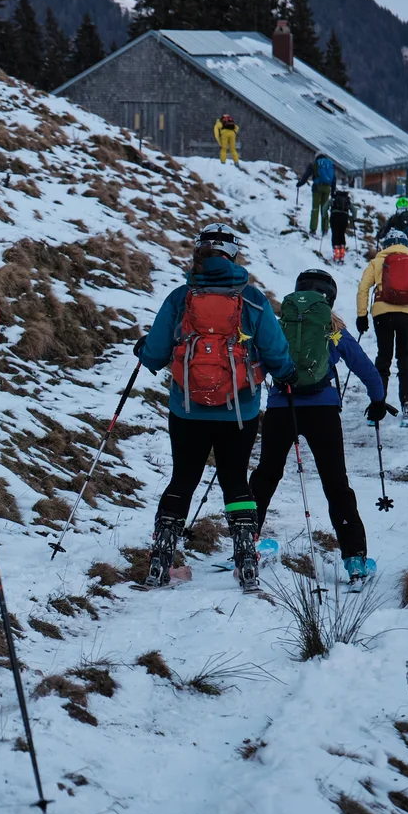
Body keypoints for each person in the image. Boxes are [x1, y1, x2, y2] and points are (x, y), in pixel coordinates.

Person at [132, 223, 294, 587]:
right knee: (236, 480)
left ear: (199, 256)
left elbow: (155, 355)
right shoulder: (252, 299)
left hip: (187, 408)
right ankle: (245, 560)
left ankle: (161, 560)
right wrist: (286, 372)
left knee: (183, 478)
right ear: (233, 256)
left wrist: (143, 349)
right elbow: (275, 351)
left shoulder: (180, 298)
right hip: (240, 409)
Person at [250, 269, 393, 588]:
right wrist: (378, 400)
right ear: (330, 297)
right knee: (336, 484)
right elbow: (366, 368)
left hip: (279, 407)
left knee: (265, 475)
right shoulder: (334, 330)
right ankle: (355, 559)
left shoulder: (280, 325)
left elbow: (258, 361)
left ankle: (245, 543)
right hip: (323, 411)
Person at [356, 226, 408, 422]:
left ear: (386, 245)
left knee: (384, 357)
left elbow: (363, 288)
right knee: (404, 355)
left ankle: (377, 401)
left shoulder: (377, 262)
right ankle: (407, 401)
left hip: (383, 313)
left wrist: (362, 315)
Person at [297, 152, 338, 234]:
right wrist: (333, 192)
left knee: (315, 208)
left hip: (317, 188)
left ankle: (313, 229)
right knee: (324, 208)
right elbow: (334, 179)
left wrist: (300, 183)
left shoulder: (314, 164)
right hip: (327, 188)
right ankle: (325, 229)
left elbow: (306, 175)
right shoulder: (330, 164)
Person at [329, 187, 353, 264]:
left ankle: (336, 254)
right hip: (344, 218)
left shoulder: (334, 199)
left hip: (334, 216)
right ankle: (342, 255)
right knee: (341, 234)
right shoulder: (347, 200)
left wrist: (324, 215)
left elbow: (325, 207)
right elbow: (354, 210)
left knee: (335, 234)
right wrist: (353, 218)